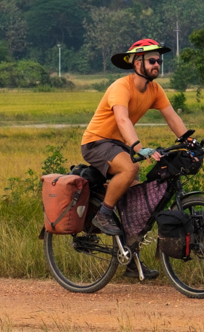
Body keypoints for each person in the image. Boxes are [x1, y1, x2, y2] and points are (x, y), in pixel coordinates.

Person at [81, 38, 188, 277]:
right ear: (136, 61)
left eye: (159, 61)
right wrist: (139, 148)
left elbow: (171, 117)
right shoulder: (121, 87)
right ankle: (104, 213)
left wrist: (189, 142)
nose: (157, 64)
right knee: (130, 169)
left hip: (117, 144)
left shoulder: (154, 90)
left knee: (138, 208)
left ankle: (131, 263)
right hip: (96, 142)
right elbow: (122, 120)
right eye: (152, 60)